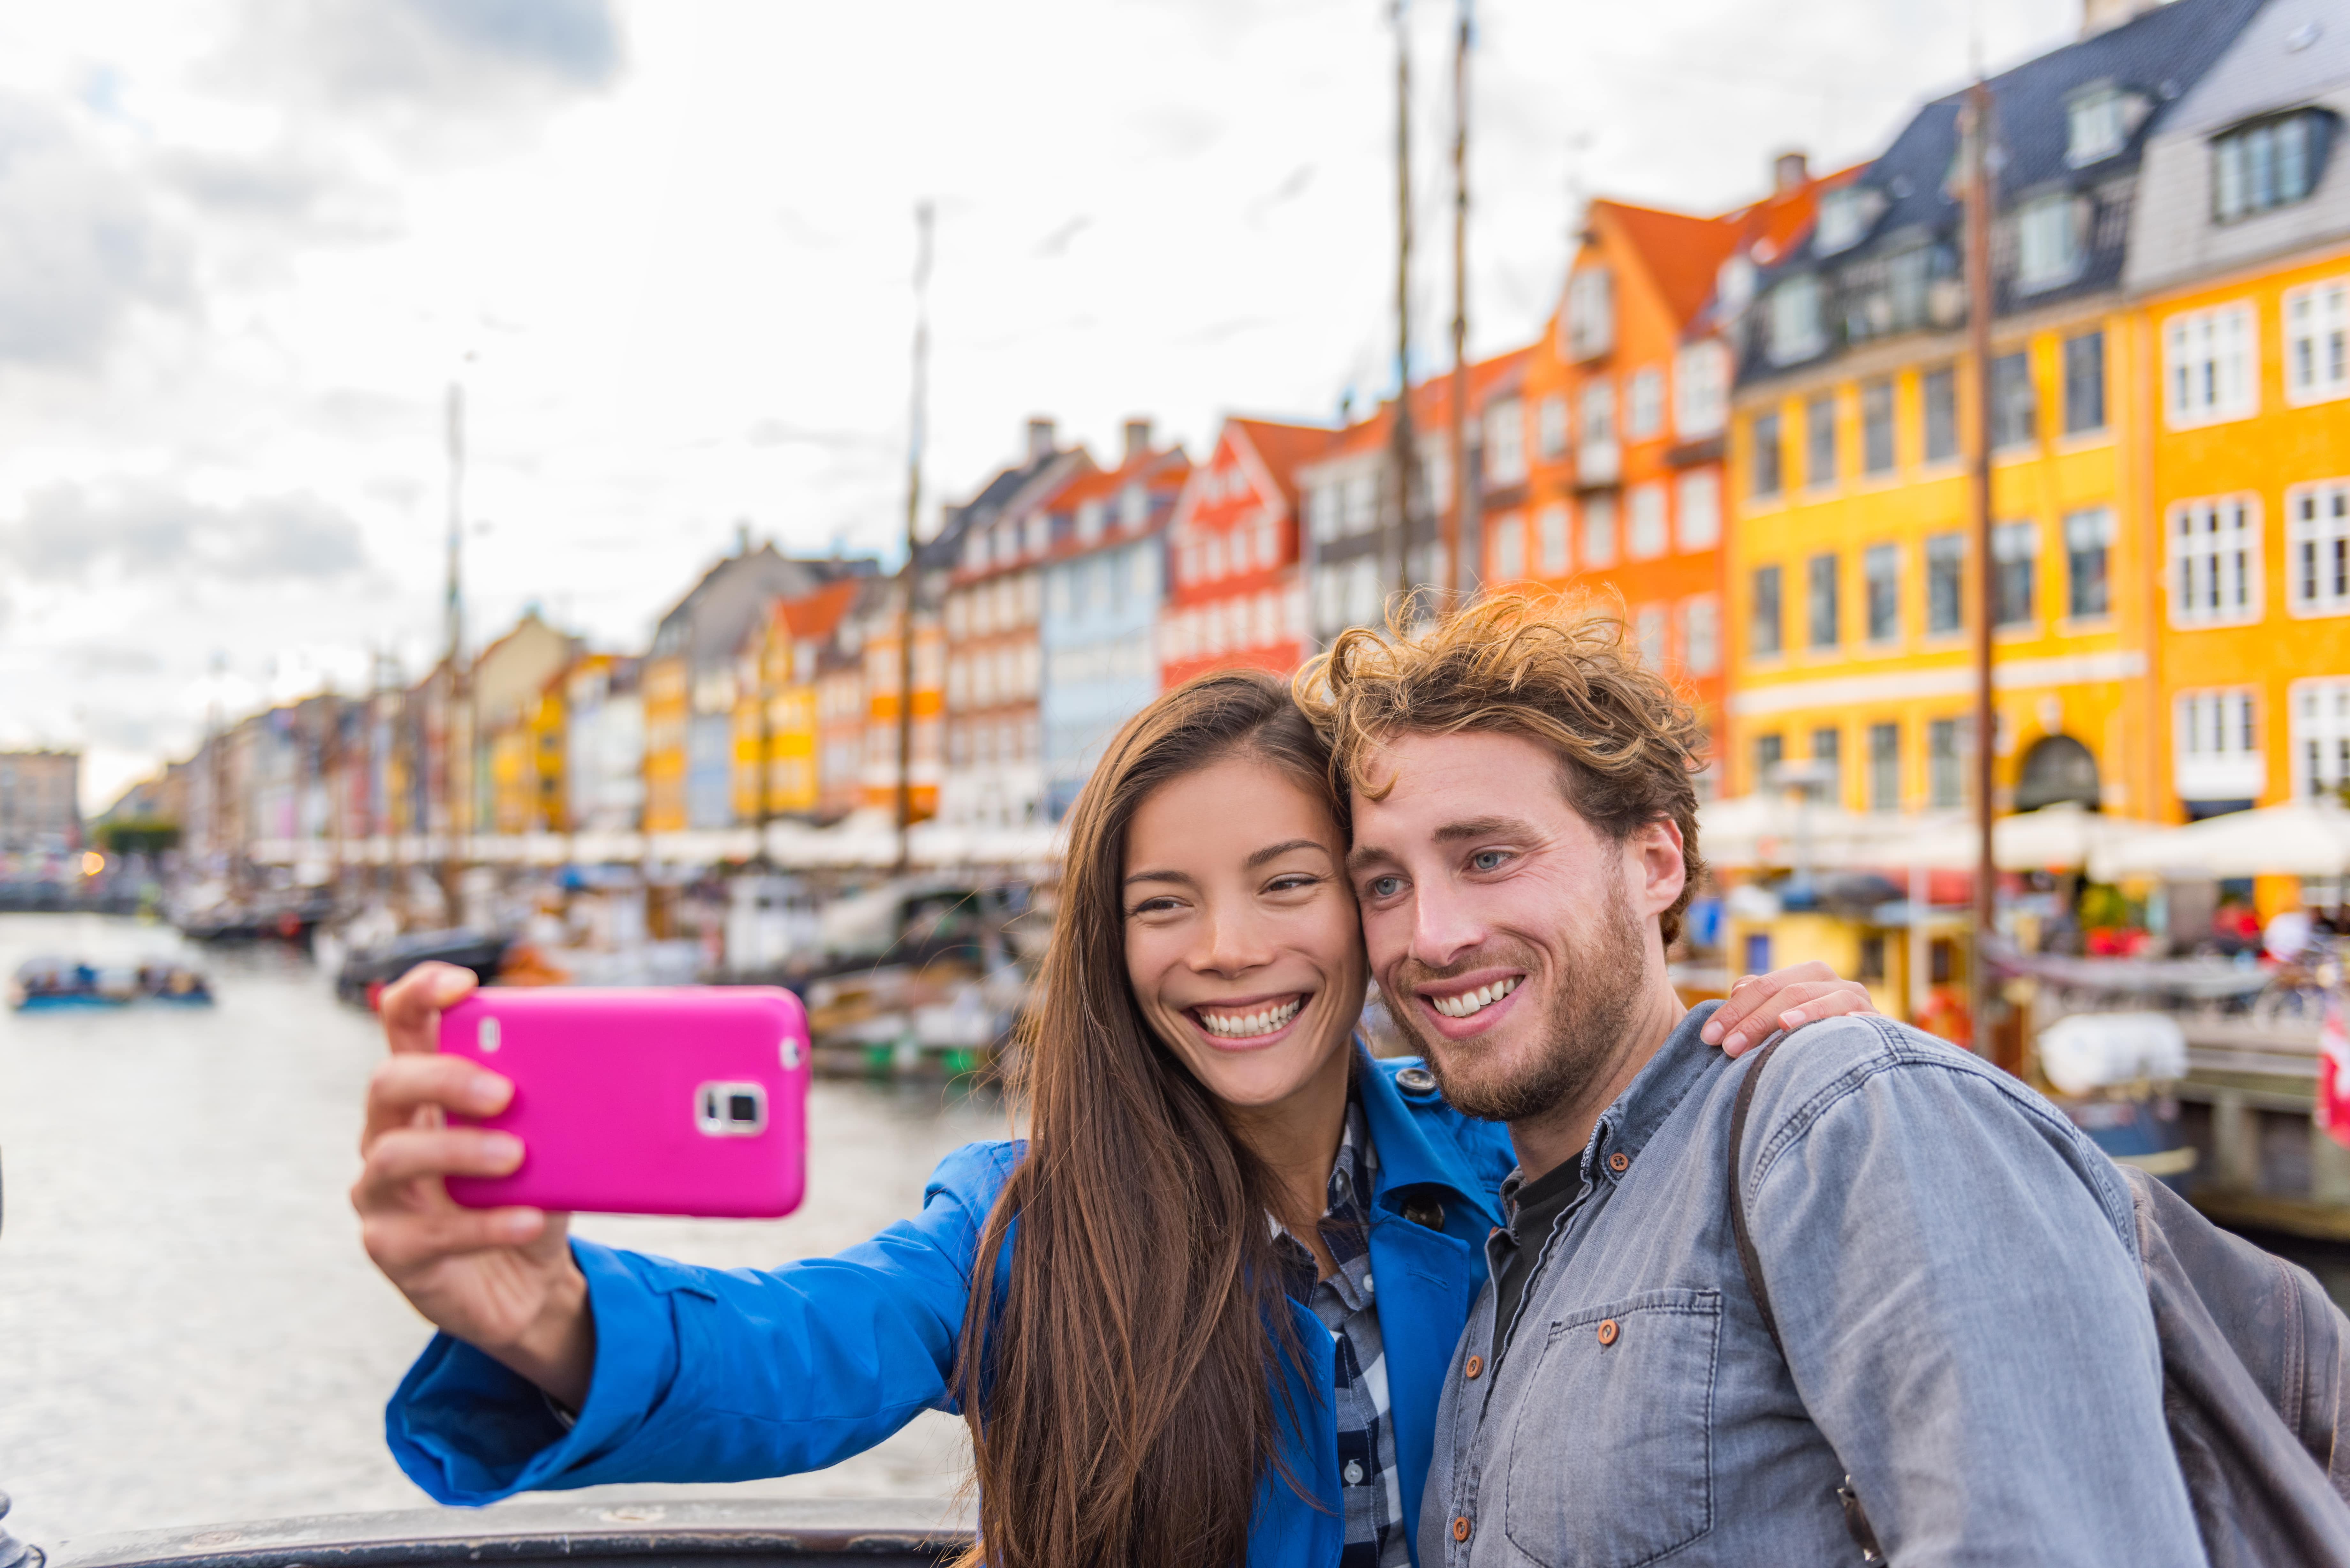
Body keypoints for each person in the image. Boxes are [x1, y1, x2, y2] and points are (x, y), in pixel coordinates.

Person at [355, 669, 1877, 1568]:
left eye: (1288, 883)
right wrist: (548, 1318)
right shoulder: (1028, 1224)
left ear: (1362, 909)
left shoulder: (1510, 1162)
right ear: (1108, 942)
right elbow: (803, 1347)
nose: (1227, 948)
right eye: (1163, 903)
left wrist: (1796, 1053)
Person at [1287, 596, 2202, 1567]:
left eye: (1490, 856)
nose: (1432, 935)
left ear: (1654, 861)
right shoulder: (1493, 1234)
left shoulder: (1845, 1117)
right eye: (1385, 883)